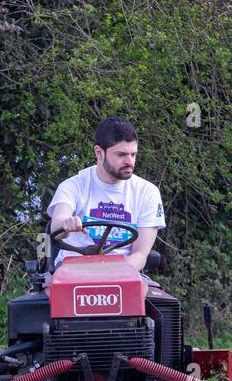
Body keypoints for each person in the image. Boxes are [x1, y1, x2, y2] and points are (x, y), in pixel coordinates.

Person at [45, 116, 165, 270]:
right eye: (121, 155)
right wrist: (66, 225)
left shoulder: (148, 193)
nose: (130, 161)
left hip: (122, 273)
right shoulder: (73, 186)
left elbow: (140, 254)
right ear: (99, 153)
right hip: (72, 271)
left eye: (133, 154)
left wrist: (112, 274)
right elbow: (57, 225)